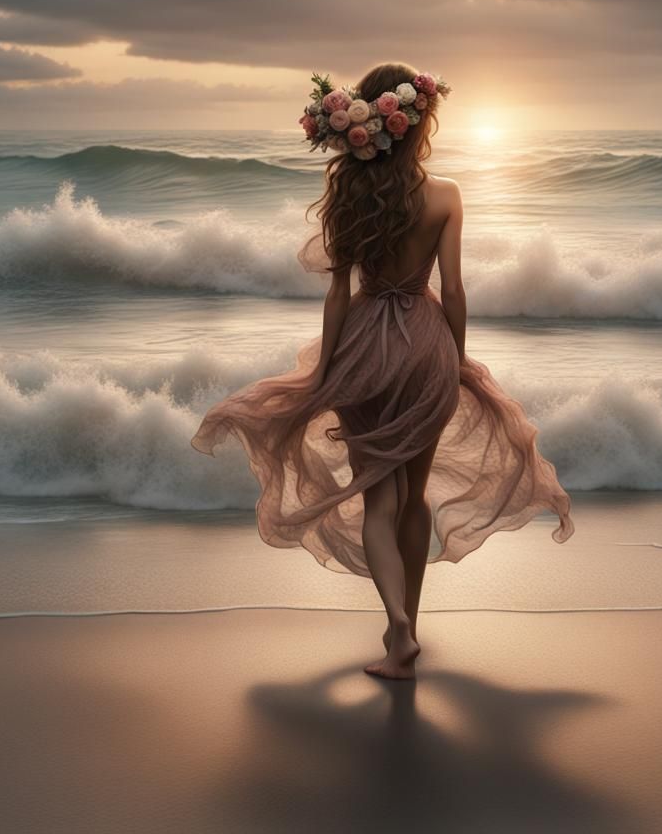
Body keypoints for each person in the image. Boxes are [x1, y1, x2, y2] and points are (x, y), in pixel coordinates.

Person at [191, 62, 574, 680]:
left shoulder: (348, 194)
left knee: (378, 499)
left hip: (367, 346)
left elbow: (338, 294)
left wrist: (326, 368)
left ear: (362, 121)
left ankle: (396, 625)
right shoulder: (446, 195)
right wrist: (455, 361)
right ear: (418, 123)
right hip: (426, 346)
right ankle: (407, 636)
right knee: (413, 497)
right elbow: (454, 290)